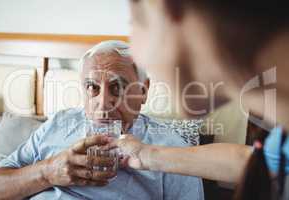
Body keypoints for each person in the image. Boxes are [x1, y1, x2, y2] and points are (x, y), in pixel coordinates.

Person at [105, 1, 289, 199]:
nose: (136, 55)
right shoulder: (280, 138)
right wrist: (145, 155)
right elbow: (253, 160)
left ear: (168, 8)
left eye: (135, 23)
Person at [0, 41, 204, 200]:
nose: (103, 103)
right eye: (92, 87)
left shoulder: (172, 149)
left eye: (118, 87)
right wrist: (47, 172)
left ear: (143, 91)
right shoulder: (57, 123)